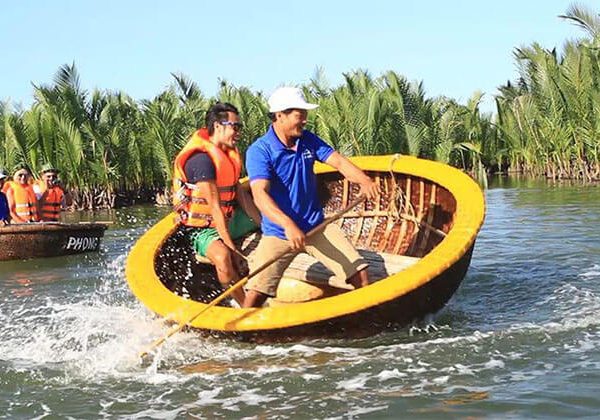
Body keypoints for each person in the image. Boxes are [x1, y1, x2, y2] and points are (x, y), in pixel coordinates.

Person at [243, 86, 380, 308]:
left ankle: (365, 325)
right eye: (300, 115)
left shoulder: (308, 140)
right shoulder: (260, 151)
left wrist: (364, 180)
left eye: (305, 114)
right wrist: (287, 224)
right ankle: (242, 335)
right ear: (280, 115)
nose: (305, 120)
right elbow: (260, 195)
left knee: (361, 274)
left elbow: (339, 162)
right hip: (279, 233)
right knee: (256, 294)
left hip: (315, 227)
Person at [172, 102, 261, 305]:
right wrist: (232, 249)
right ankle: (243, 305)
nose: (239, 132)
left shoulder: (228, 156)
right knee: (222, 258)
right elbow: (214, 208)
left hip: (228, 219)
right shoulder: (201, 161)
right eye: (235, 127)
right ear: (218, 126)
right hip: (201, 228)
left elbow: (242, 196)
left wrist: (266, 224)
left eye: (240, 127)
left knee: (272, 214)